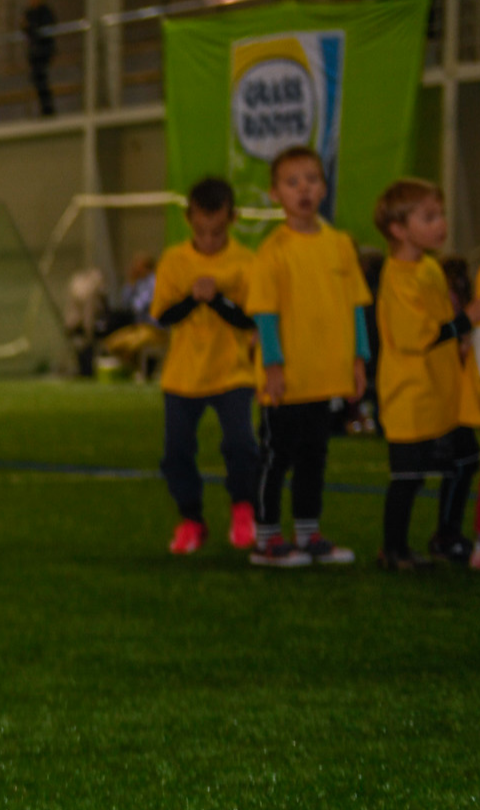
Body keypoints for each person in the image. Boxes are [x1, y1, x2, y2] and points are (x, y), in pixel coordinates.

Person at [245, 145, 370, 568]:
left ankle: (308, 533)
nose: (304, 189)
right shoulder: (273, 250)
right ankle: (266, 539)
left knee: (314, 458)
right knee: (276, 458)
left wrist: (358, 359)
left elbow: (356, 306)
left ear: (324, 187)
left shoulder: (339, 245)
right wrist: (273, 364)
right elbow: (265, 313)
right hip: (287, 378)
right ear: (275, 194)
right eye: (292, 182)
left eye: (312, 179)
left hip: (325, 376)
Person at [371, 178, 479, 571]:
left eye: (441, 215)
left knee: (466, 461)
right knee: (409, 477)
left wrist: (463, 339)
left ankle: (446, 535)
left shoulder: (430, 268)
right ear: (399, 229)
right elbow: (420, 337)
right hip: (412, 396)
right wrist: (465, 321)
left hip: (444, 393)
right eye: (430, 217)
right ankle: (393, 550)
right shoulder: (398, 278)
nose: (441, 224)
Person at [150, 177, 259, 555]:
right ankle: (191, 519)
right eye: (202, 231)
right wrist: (194, 300)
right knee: (176, 453)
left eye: (218, 231)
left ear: (233, 218)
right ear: (188, 219)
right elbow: (163, 316)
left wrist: (217, 301)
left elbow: (250, 319)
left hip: (233, 371)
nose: (210, 239)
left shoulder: (245, 262)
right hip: (182, 376)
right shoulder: (174, 260)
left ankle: (244, 509)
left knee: (241, 445)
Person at [24, 0, 57, 117]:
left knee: (42, 79)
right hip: (34, 52)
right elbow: (26, 28)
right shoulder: (29, 12)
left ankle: (48, 109)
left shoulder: (45, 11)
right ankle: (44, 108)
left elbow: (45, 29)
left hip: (43, 50)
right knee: (37, 79)